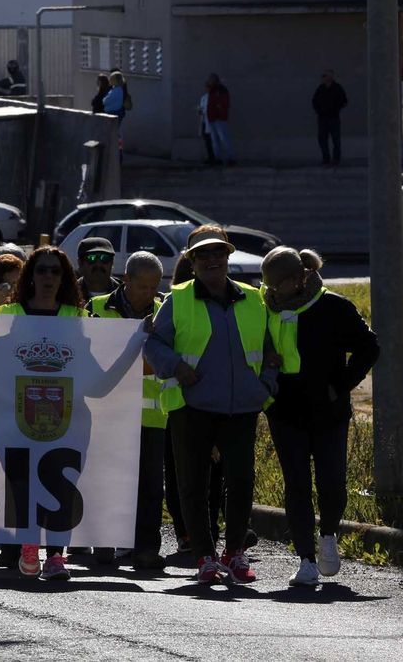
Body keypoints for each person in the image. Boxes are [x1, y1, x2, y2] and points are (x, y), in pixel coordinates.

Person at [144, 226, 277, 586]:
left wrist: (265, 385)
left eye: (218, 254)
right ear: (192, 261)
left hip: (242, 407)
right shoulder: (179, 298)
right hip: (192, 406)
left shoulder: (253, 298)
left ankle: (234, 552)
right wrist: (176, 367)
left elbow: (269, 347)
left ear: (228, 257)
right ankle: (204, 556)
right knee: (193, 484)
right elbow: (153, 345)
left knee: (242, 480)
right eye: (204, 255)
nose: (212, 260)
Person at [261, 247, 378, 587]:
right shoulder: (266, 308)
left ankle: (328, 535)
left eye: (276, 285)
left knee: (332, 482)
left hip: (328, 412)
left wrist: (338, 386)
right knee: (296, 485)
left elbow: (369, 347)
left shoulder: (334, 307)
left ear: (299, 279)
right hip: (284, 412)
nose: (270, 291)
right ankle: (306, 560)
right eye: (267, 285)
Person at [0, 244, 89, 581]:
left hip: (68, 418)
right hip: (15, 415)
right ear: (30, 275)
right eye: (41, 270)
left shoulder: (77, 317)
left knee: (61, 485)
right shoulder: (8, 314)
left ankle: (57, 556)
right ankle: (28, 545)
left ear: (64, 279)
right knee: (23, 485)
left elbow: (90, 369)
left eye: (55, 271)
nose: (48, 276)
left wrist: (133, 340)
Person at [92, 250, 170, 571]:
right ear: (126, 280)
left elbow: (164, 361)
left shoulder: (167, 312)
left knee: (151, 486)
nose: (150, 293)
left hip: (152, 415)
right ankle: (104, 542)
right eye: (143, 286)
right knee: (107, 481)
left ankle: (146, 549)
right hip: (108, 414)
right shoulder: (96, 309)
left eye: (154, 287)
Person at [312, 71, 348, 167]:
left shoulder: (337, 88)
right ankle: (326, 158)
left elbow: (344, 101)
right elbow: (314, 101)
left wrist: (336, 108)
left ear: (331, 77)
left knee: (336, 139)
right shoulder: (321, 88)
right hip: (323, 118)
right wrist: (319, 110)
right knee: (322, 139)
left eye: (326, 76)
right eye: (323, 76)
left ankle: (336, 159)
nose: (324, 78)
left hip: (333, 118)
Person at [74, 235, 119, 301]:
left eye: (104, 258)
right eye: (92, 258)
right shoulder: (70, 294)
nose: (98, 264)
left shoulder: (124, 294)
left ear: (112, 263)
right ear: (80, 263)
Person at [204, 74, 232, 165]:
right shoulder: (211, 90)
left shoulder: (221, 90)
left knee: (223, 138)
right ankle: (217, 158)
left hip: (219, 118)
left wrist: (219, 110)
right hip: (212, 118)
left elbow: (223, 103)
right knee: (214, 140)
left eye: (210, 80)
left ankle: (229, 158)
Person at [197, 89, 217, 165]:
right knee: (207, 140)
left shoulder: (215, 96)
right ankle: (210, 157)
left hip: (212, 121)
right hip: (204, 121)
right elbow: (202, 109)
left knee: (213, 140)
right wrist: (199, 111)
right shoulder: (203, 97)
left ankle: (215, 158)